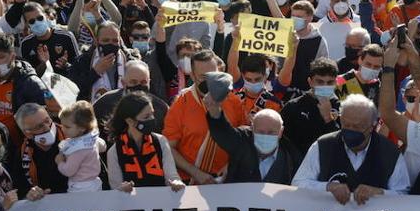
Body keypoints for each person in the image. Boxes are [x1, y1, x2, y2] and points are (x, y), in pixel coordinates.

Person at [293, 95, 407, 201]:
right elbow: (298, 183)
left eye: (357, 126)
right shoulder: (323, 145)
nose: (351, 130)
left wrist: (378, 192)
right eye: (346, 125)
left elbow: (403, 194)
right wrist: (328, 187)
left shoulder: (389, 152)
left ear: (372, 125)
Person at [163, 50, 245, 185]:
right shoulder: (180, 104)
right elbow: (168, 147)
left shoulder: (233, 100)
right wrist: (195, 173)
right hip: (190, 180)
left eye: (213, 75)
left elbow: (243, 140)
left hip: (225, 181)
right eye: (203, 77)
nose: (209, 81)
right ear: (193, 76)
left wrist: (231, 165)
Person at [203, 95, 301, 184]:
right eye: (260, 132)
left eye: (271, 132)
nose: (265, 136)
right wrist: (215, 111)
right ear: (252, 129)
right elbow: (224, 135)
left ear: (280, 132)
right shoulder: (243, 140)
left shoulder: (291, 156)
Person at [105, 91, 185, 192]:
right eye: (146, 117)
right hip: (132, 206)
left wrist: (176, 183)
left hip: (161, 204)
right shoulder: (114, 152)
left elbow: (172, 176)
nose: (152, 119)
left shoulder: (160, 141)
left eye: (152, 114)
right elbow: (115, 188)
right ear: (130, 121)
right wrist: (122, 189)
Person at [55, 100, 105, 193]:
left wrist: (60, 162)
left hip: (80, 187)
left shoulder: (78, 149)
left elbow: (68, 171)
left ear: (82, 127)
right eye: (62, 125)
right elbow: (103, 147)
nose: (62, 128)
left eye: (67, 127)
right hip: (94, 183)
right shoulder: (91, 139)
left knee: (80, 207)